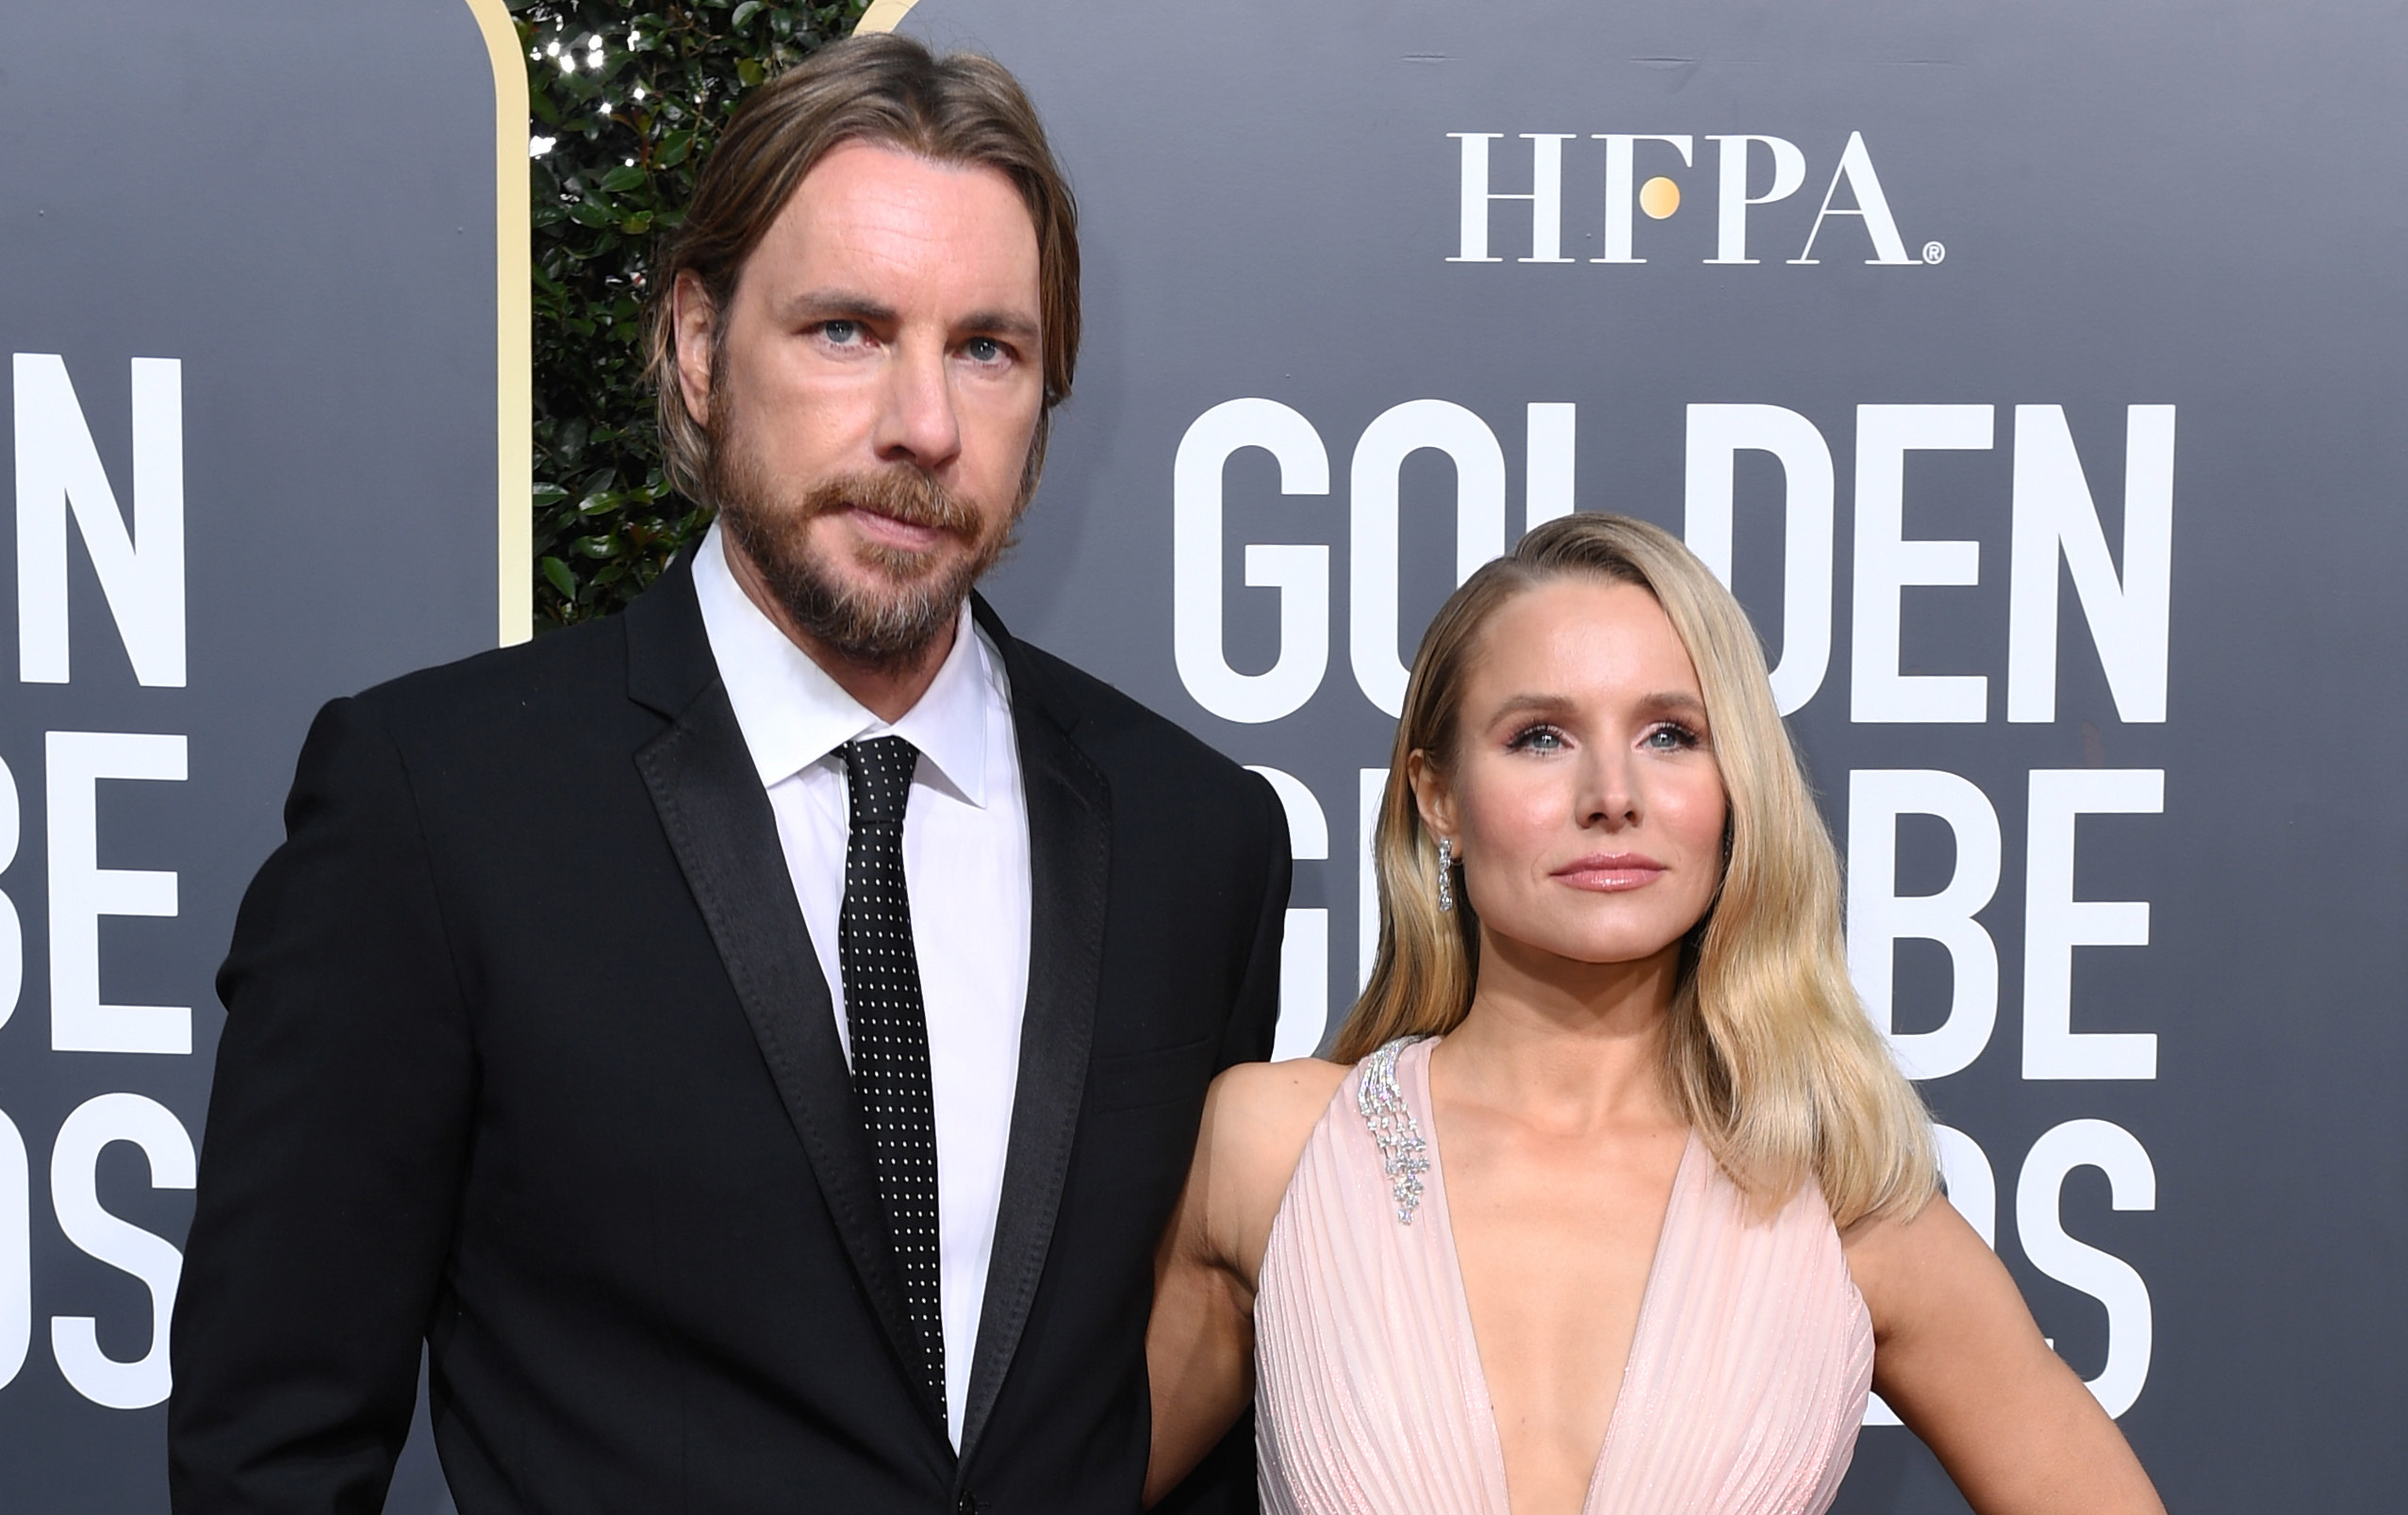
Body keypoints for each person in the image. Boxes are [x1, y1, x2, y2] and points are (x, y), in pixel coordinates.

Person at [169, 35, 1287, 1515]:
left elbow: (1187, 1412)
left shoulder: (1192, 837)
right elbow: (271, 1447)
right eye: (843, 330)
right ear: (699, 349)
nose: (922, 426)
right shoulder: (437, 806)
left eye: (986, 348)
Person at [1145, 514, 2166, 1515]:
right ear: (1437, 795)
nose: (1611, 793)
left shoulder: (1844, 1201)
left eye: (1671, 734)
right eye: (1539, 736)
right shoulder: (1270, 1151)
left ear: (1735, 789)